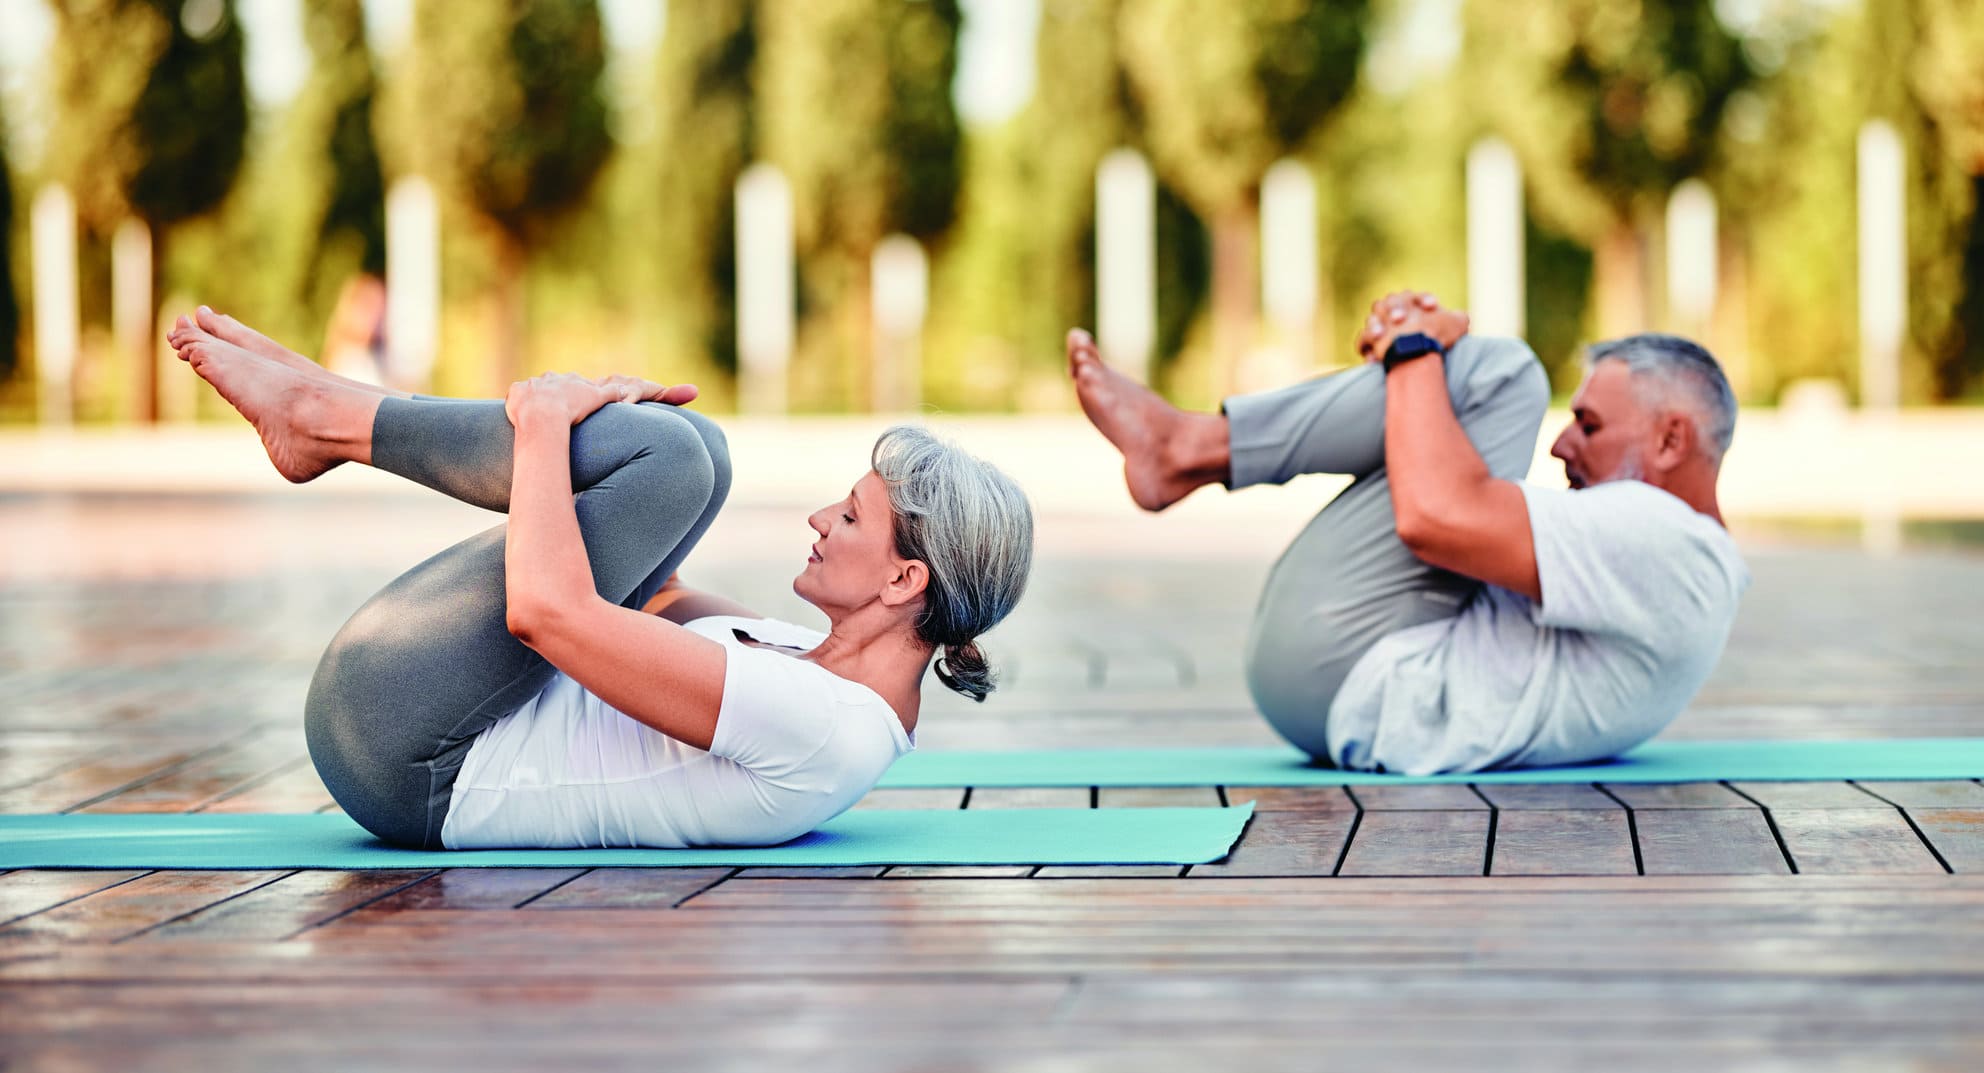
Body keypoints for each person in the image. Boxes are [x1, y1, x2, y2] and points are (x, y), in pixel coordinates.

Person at [166, 307, 1033, 849]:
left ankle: (322, 416)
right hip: (427, 718)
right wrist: (621, 437)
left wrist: (547, 424)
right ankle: (325, 405)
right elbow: (651, 591)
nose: (818, 519)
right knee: (697, 456)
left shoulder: (820, 724)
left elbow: (548, 612)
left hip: (407, 757)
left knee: (664, 463)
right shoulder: (810, 665)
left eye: (848, 517)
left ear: (902, 580)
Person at [1067, 290, 1749, 774]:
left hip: (1353, 669)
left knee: (1502, 375)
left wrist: (1415, 346)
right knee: (1456, 382)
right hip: (1344, 681)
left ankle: (1187, 448)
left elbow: (1434, 516)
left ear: (1670, 439)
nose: (1562, 445)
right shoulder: (1681, 565)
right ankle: (1190, 446)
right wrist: (1412, 366)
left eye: (1590, 424)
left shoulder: (1669, 543)